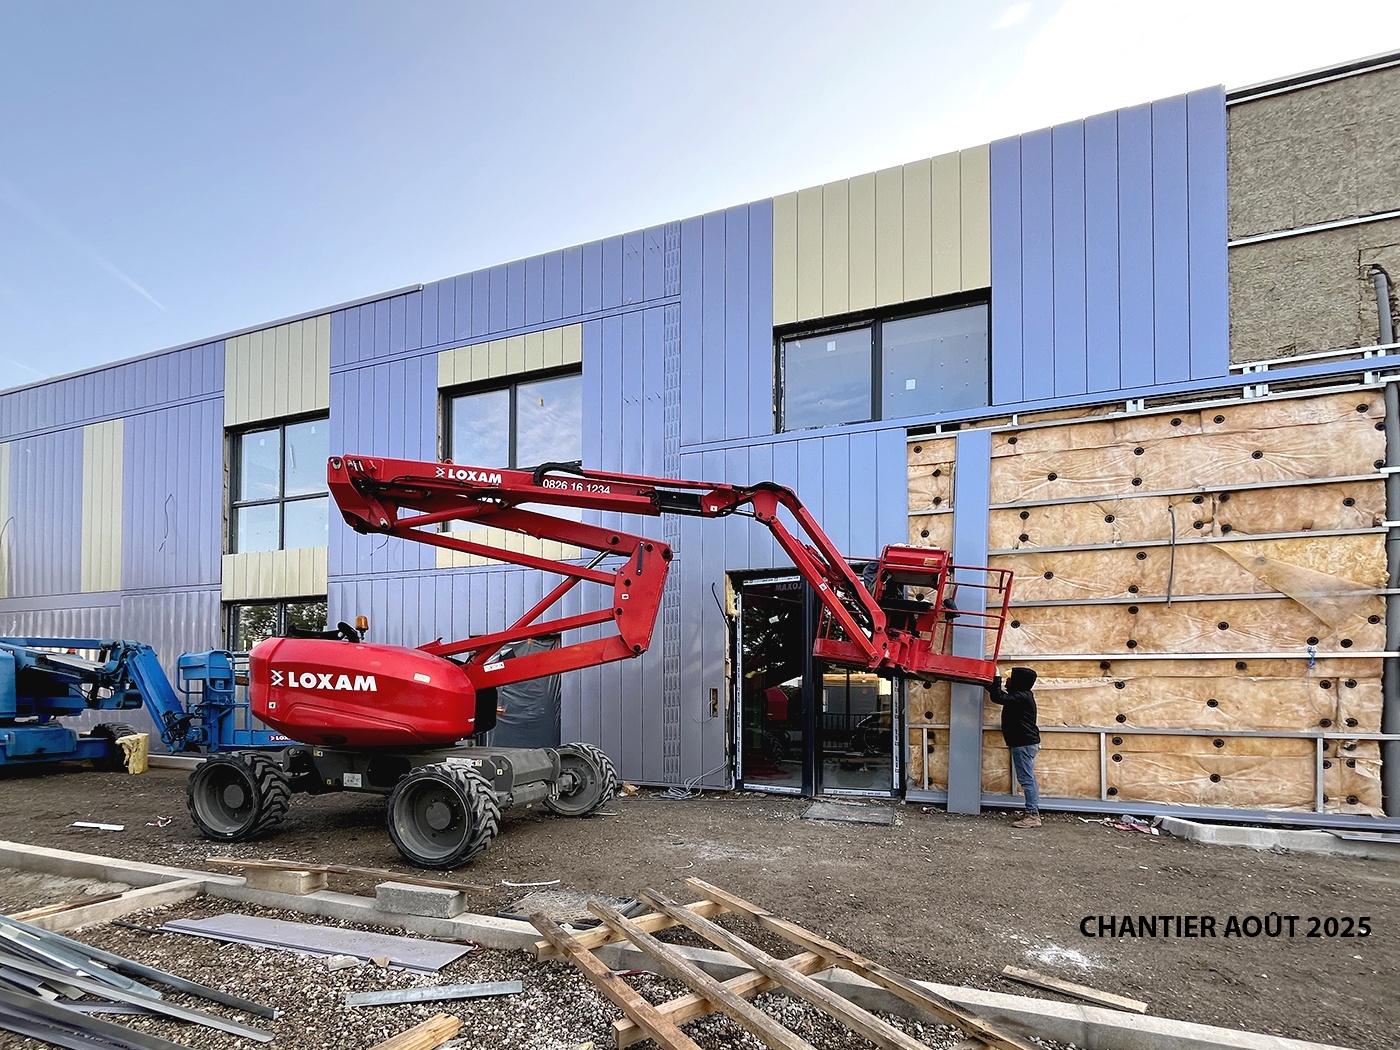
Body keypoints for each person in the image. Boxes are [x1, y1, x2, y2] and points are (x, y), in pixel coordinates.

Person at [986, 667, 1042, 828]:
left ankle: (1033, 815)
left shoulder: (1021, 697)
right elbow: (998, 694)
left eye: (1009, 678)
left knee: (1027, 780)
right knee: (1028, 778)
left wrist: (995, 677)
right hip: (1024, 742)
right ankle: (1032, 812)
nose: (1006, 680)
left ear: (1018, 681)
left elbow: (998, 697)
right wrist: (988, 683)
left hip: (1023, 743)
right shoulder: (1022, 695)